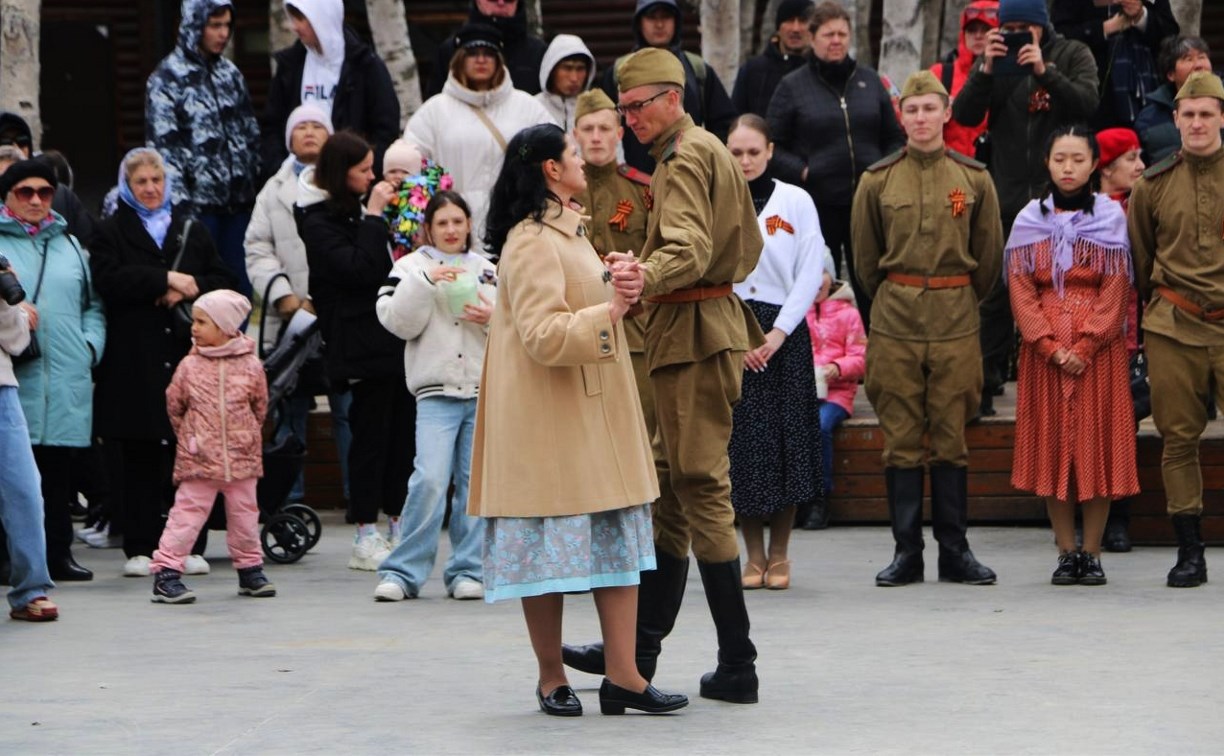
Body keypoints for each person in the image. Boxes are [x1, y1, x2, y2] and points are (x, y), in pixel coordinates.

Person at [563, 48, 764, 705]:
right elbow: (745, 243)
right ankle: (637, 657)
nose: (629, 119)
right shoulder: (704, 150)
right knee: (671, 491)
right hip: (696, 326)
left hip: (694, 329)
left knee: (699, 486)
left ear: (672, 97)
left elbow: (693, 246)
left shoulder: (682, 158)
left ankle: (737, 662)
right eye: (622, 110)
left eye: (637, 106)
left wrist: (643, 273)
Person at [472, 122, 686, 717]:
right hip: (551, 427)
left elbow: (582, 310)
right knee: (546, 556)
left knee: (617, 547)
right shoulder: (532, 240)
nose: (584, 162)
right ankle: (551, 677)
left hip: (592, 420)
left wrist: (617, 287)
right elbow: (542, 336)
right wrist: (610, 307)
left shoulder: (568, 232)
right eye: (572, 153)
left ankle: (625, 676)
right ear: (549, 169)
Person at [853, 71, 1004, 587]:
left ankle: (955, 552)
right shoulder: (876, 180)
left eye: (929, 109)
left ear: (946, 113)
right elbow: (866, 263)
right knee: (899, 439)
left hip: (956, 317)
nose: (920, 118)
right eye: (911, 110)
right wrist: (897, 296)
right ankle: (907, 553)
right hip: (894, 319)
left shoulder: (973, 179)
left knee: (950, 437)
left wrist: (955, 294)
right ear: (902, 116)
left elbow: (987, 261)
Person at [90, 148, 235, 578]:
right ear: (126, 187)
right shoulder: (110, 230)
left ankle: (188, 543)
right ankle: (139, 545)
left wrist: (189, 288)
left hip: (187, 360)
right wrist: (162, 279)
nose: (151, 189)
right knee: (136, 452)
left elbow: (222, 281)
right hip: (133, 361)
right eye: (141, 182)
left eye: (157, 180)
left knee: (187, 456)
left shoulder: (191, 228)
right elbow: (107, 279)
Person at [951, 0, 1100, 417]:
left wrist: (1043, 71)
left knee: (1064, 293)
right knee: (996, 295)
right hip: (1007, 195)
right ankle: (985, 382)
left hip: (1065, 200)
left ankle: (1066, 385)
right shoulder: (995, 62)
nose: (1017, 35)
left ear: (1042, 26)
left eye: (1024, 28)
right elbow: (963, 115)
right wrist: (984, 70)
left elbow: (1088, 103)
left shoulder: (1071, 54)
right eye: (1009, 27)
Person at [1007, 125, 1138, 585]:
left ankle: (1093, 551)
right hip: (1044, 356)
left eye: (1078, 159)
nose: (1068, 167)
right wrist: (1046, 344)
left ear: (1093, 164)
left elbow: (1116, 286)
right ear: (1047, 162)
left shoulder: (1110, 218)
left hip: (1097, 355)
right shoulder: (1028, 219)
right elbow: (1021, 289)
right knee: (1053, 449)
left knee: (1094, 449)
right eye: (1060, 158)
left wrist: (1085, 343)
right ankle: (1066, 551)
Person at [295, 131, 413, 570]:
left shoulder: (365, 214)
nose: (372, 176)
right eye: (363, 169)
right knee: (369, 438)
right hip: (358, 344)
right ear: (340, 173)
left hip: (395, 336)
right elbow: (359, 270)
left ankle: (400, 523)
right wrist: (376, 215)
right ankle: (365, 529)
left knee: (403, 436)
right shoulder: (317, 220)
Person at [371, 191, 494, 602]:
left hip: (481, 390)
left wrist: (491, 317)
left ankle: (467, 569)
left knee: (474, 485)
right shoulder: (410, 266)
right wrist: (425, 283)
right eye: (442, 223)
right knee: (429, 479)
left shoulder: (487, 268)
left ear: (469, 224)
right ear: (428, 228)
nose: (451, 230)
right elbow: (396, 321)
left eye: (458, 221)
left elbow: (515, 325)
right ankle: (402, 573)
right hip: (435, 393)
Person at [1128, 71, 1224, 589]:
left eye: (1206, 113)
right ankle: (1191, 551)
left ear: (1222, 118)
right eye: (1188, 115)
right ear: (1175, 121)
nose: (1196, 123)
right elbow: (1142, 260)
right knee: (1178, 438)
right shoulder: (1153, 184)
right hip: (1173, 326)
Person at [724, 114, 825, 590]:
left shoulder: (795, 200)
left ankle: (781, 554)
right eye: (736, 152)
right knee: (742, 446)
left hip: (783, 333)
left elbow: (810, 271)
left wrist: (779, 332)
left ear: (769, 151)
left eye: (752, 152)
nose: (745, 161)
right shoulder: (717, 198)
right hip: (733, 331)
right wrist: (740, 335)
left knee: (788, 445)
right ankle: (753, 554)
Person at [768, 1, 905, 330]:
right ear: (813, 38)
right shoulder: (792, 86)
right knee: (819, 282)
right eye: (828, 34)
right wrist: (804, 171)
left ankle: (878, 357)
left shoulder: (870, 81)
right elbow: (772, 145)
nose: (836, 40)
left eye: (842, 33)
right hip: (818, 205)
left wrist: (885, 173)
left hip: (870, 203)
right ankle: (825, 361)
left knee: (872, 281)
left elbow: (894, 137)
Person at [0, 159, 105, 583]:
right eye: (25, 192)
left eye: (45, 192)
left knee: (59, 473)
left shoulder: (72, 247)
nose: (37, 200)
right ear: (8, 197)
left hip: (64, 373)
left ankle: (58, 553)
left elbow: (93, 306)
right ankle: (11, 558)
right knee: (13, 477)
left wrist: (89, 347)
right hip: (17, 374)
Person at [244, 103, 352, 509]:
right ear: (289, 137)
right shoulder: (271, 191)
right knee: (292, 407)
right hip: (290, 317)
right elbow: (256, 247)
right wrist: (284, 296)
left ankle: (356, 493)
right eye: (300, 126)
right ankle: (291, 498)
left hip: (339, 315)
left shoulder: (345, 185)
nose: (308, 132)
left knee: (347, 409)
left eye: (317, 125)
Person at [151, 290, 274, 603]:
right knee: (186, 516)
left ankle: (250, 570)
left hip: (241, 458)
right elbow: (174, 404)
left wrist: (245, 435)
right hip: (199, 459)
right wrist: (191, 437)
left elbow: (260, 406)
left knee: (245, 516)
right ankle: (166, 572)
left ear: (225, 327)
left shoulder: (250, 366)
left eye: (203, 322)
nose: (195, 327)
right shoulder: (190, 366)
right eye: (195, 320)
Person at [405, 23, 554, 251]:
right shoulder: (434, 111)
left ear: (499, 60)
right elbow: (411, 170)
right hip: (454, 231)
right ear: (459, 59)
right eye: (473, 53)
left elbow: (554, 159)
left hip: (518, 224)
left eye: (488, 53)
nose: (481, 60)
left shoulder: (528, 107)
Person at [147, 0, 261, 298]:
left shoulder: (231, 75)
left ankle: (238, 347)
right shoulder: (166, 78)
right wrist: (183, 211)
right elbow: (164, 151)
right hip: (198, 211)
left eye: (227, 26)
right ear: (194, 25)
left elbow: (251, 133)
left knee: (239, 292)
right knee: (201, 294)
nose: (223, 34)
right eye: (214, 25)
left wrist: (255, 185)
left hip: (239, 206)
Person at [571, 89, 655, 436]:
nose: (595, 137)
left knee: (639, 433)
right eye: (587, 129)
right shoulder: (562, 192)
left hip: (634, 333)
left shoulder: (642, 189)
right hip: (578, 329)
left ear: (620, 133)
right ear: (574, 134)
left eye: (604, 128)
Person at [263, 0, 401, 181]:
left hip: (350, 184)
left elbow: (385, 130)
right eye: (293, 19)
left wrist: (361, 174)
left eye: (301, 19)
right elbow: (272, 125)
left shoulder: (365, 65)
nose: (294, 27)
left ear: (321, 17)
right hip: (295, 182)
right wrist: (280, 171)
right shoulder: (290, 64)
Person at [601, 0, 738, 173]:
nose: (659, 24)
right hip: (632, 184)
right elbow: (602, 126)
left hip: (690, 174)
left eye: (666, 17)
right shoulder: (618, 72)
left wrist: (706, 161)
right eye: (651, 17)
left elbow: (725, 125)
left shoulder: (697, 70)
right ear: (639, 23)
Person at [1097, 127, 1146, 555]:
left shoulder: (1142, 205)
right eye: (1132, 158)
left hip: (1137, 336)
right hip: (1091, 335)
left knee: (1122, 425)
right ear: (1108, 168)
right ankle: (1082, 512)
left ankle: (1118, 518)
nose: (1141, 166)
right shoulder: (1090, 211)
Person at [0, 278, 58, 621]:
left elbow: (18, 341)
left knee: (24, 490)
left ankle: (30, 589)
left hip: (2, 390)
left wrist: (7, 304)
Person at [803, 250, 866, 530]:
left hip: (837, 393)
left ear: (831, 276)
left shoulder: (848, 314)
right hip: (803, 391)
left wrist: (837, 368)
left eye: (821, 273)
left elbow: (861, 356)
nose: (817, 282)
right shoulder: (796, 312)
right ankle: (795, 498)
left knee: (820, 426)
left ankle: (820, 498)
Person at [1052, 0, 1179, 128]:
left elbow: (1171, 37)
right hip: (1094, 90)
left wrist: (1141, 16)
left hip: (1147, 92)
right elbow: (1060, 36)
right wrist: (1106, 28)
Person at [0, 112, 96, 244]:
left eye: (22, 141)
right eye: (4, 141)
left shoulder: (60, 196)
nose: (15, 148)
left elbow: (91, 243)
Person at [427, 0, 547, 98]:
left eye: (509, 0)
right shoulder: (452, 49)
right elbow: (435, 103)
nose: (501, 3)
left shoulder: (538, 51)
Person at [929, 1, 999, 158]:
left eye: (986, 29)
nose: (978, 36)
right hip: (948, 169)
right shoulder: (940, 74)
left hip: (990, 173)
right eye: (972, 30)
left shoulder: (1008, 76)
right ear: (963, 34)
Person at [1135, 35, 1213, 163]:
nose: (1198, 65)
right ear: (1171, 74)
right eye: (1189, 59)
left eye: (1202, 57)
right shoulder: (1149, 118)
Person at [731, 0, 814, 118]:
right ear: (778, 28)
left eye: (802, 21)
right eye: (789, 21)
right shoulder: (753, 70)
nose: (796, 28)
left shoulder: (820, 71)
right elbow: (735, 120)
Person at [534, 34, 596, 133]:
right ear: (551, 69)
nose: (574, 78)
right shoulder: (533, 107)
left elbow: (614, 147)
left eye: (580, 69)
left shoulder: (598, 108)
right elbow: (523, 147)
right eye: (567, 68)